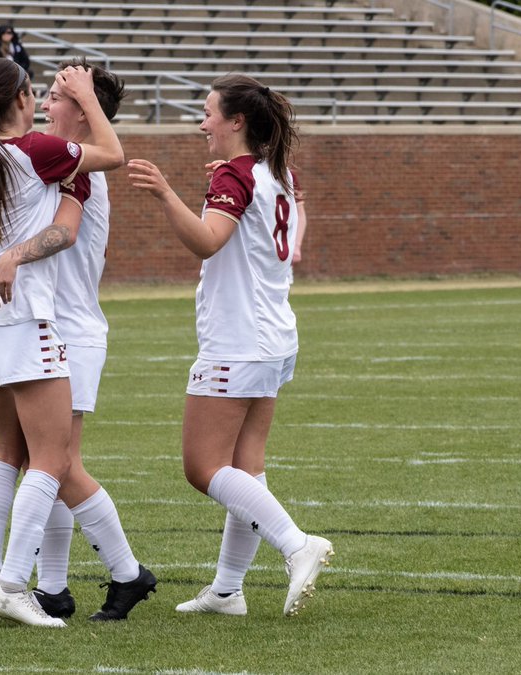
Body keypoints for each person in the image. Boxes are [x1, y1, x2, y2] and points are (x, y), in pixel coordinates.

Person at [127, 75, 334, 618]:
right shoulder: (276, 172)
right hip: (273, 338)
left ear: (236, 121)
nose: (202, 123)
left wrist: (166, 193)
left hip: (239, 341)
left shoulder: (239, 177)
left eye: (208, 112)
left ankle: (296, 544)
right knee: (246, 466)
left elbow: (206, 240)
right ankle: (227, 590)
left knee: (203, 468)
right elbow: (295, 240)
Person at [0, 59, 145, 628]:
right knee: (49, 460)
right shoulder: (39, 155)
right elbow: (55, 225)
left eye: (59, 95)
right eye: (42, 92)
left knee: (46, 460)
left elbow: (67, 224)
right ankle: (41, 582)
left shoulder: (29, 157)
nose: (47, 101)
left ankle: (53, 581)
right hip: (25, 317)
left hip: (57, 324)